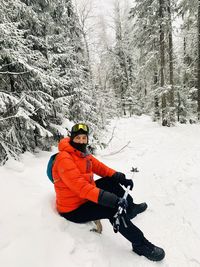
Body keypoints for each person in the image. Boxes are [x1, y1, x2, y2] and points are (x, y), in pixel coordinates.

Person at [52, 123, 165, 261]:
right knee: (112, 209)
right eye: (78, 138)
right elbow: (81, 188)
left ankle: (131, 208)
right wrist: (112, 200)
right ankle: (140, 245)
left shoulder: (82, 154)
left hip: (84, 197)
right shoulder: (64, 158)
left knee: (110, 181)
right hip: (74, 209)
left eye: (84, 138)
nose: (81, 141)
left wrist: (120, 177)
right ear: (71, 138)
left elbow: (100, 168)